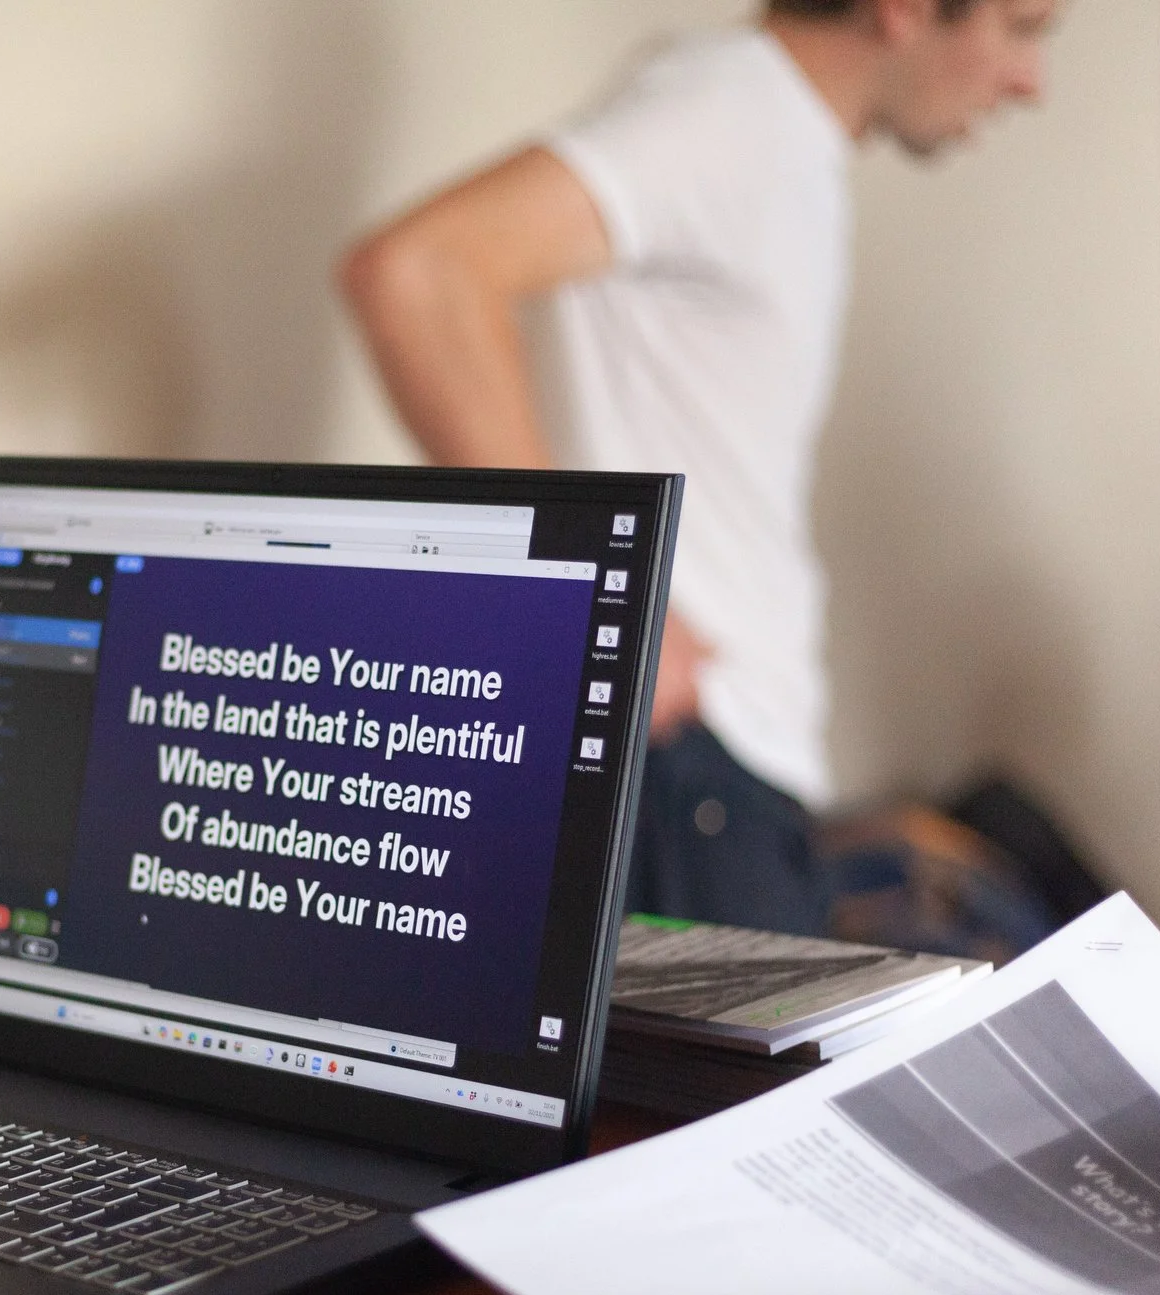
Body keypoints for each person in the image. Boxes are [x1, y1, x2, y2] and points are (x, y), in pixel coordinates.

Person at [340, 0, 1055, 934]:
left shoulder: (771, 131)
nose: (1029, 81)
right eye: (1020, 27)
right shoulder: (734, 115)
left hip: (714, 762)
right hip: (689, 769)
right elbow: (419, 272)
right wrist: (600, 592)